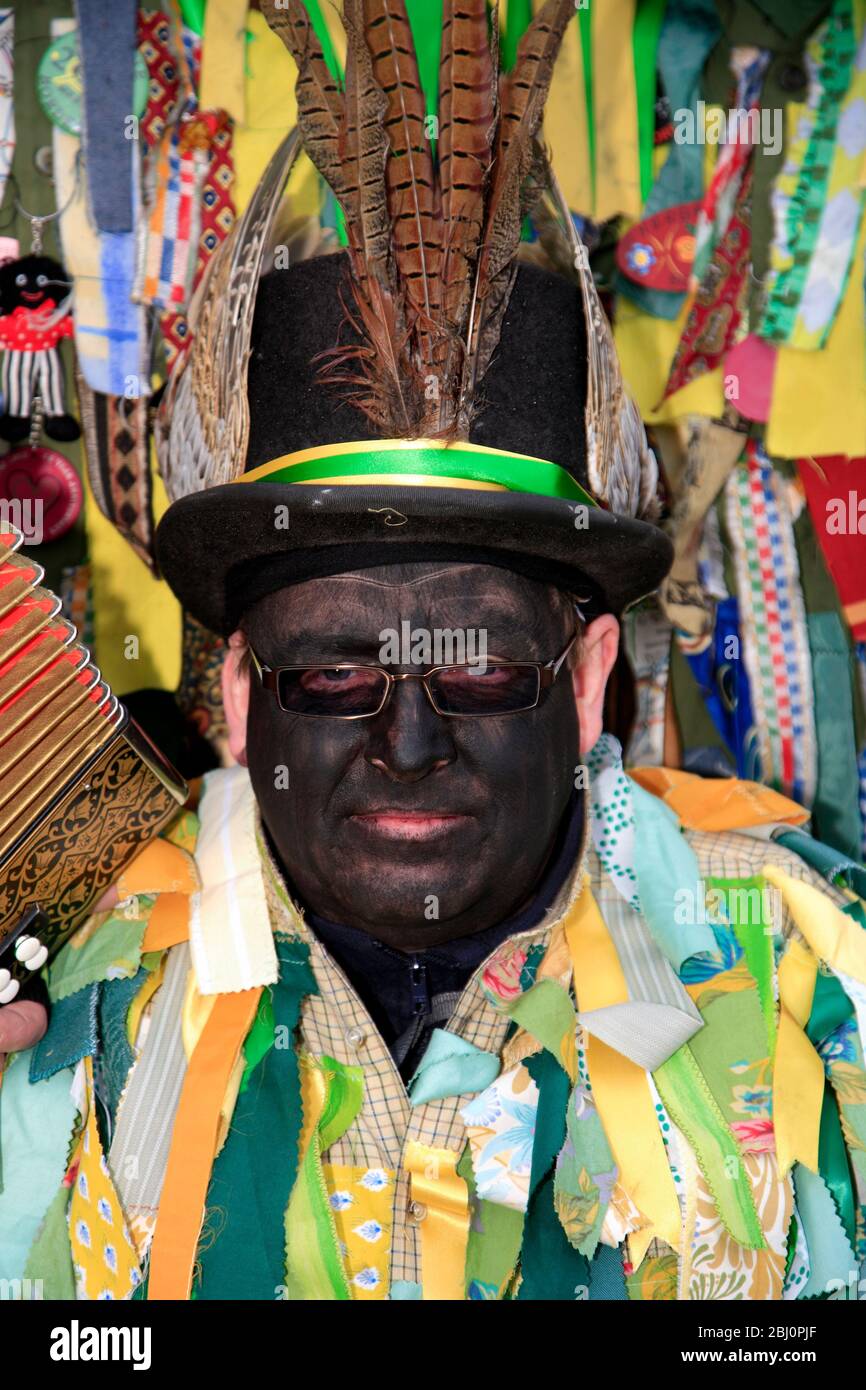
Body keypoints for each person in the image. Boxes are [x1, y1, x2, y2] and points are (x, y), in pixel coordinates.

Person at [1, 0, 864, 1302]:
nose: (407, 747)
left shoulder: (809, 976)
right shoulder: (78, 1008)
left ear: (582, 687)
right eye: (335, 675)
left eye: (477, 670)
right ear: (238, 697)